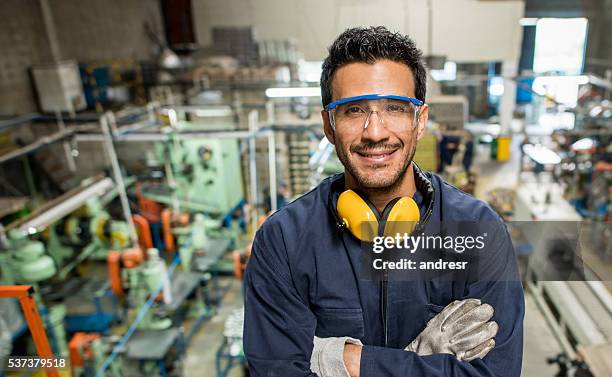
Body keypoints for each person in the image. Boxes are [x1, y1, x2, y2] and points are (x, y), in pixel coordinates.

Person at [244, 26, 524, 377]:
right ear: (329, 125)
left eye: (395, 108)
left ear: (420, 121)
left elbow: (495, 374)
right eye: (354, 110)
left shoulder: (478, 231)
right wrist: (421, 360)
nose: (375, 132)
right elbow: (277, 371)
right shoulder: (284, 239)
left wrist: (347, 361)